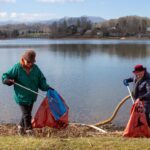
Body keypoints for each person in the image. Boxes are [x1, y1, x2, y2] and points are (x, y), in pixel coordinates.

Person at [2, 49, 54, 135]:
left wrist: (47, 88)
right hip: (21, 97)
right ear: (23, 59)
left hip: (32, 96)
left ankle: (20, 127)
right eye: (28, 62)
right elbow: (5, 75)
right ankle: (29, 130)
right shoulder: (17, 67)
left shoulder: (36, 69)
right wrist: (7, 81)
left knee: (26, 113)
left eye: (32, 62)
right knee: (27, 114)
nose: (30, 64)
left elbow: (41, 81)